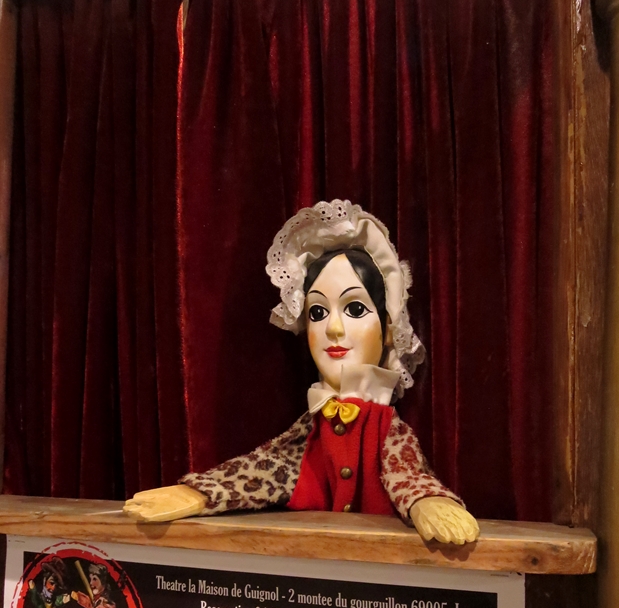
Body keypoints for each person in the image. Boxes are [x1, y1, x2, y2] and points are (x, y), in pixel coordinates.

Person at [124, 200, 479, 545]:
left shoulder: (386, 429)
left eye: (355, 309)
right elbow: (267, 468)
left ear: (389, 329)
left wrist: (428, 501)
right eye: (318, 312)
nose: (333, 329)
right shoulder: (310, 429)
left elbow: (406, 471)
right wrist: (200, 493)